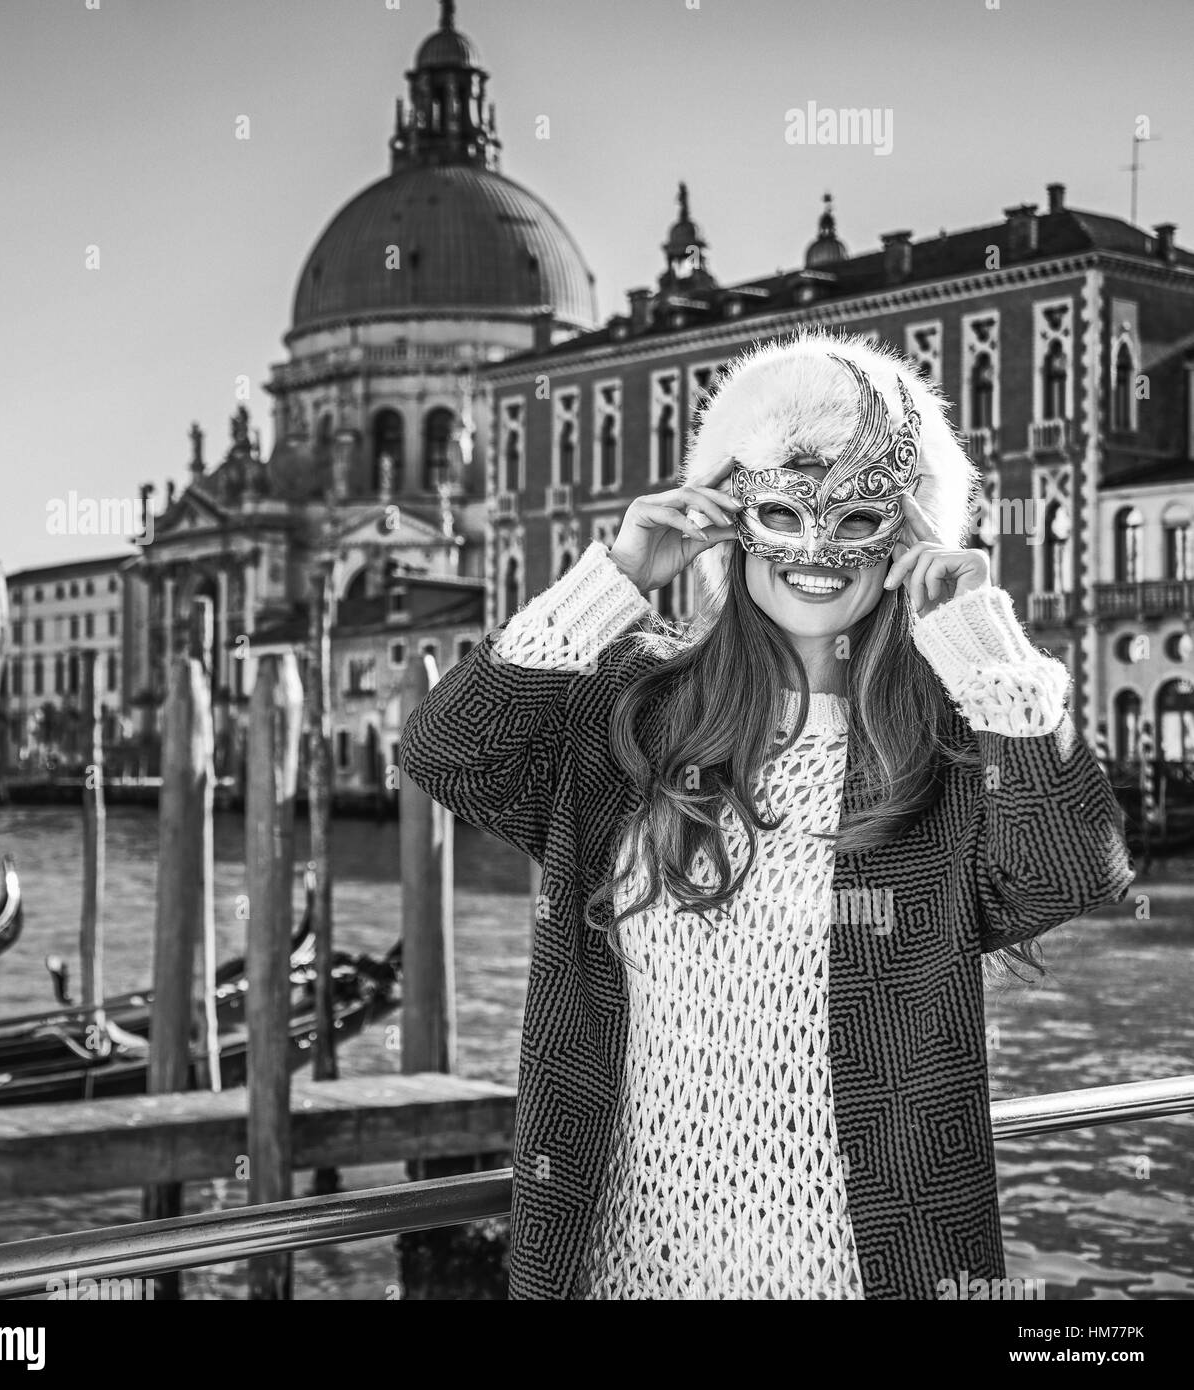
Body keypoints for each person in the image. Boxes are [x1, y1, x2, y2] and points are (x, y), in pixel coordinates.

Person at [398, 328, 1133, 1300]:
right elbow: (445, 752)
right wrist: (617, 573)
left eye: (861, 517)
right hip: (621, 1266)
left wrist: (981, 643)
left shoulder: (952, 755)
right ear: (731, 522)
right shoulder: (631, 715)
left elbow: (1076, 870)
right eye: (781, 509)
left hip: (858, 1270)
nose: (816, 550)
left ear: (908, 538)